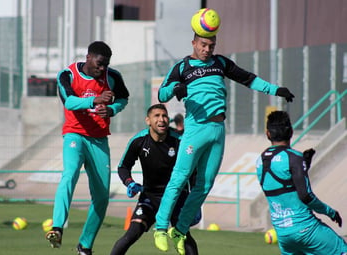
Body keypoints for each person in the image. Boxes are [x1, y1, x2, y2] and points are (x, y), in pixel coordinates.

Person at [153, 33, 295, 255]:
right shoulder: (182, 67)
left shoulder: (220, 63)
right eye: (203, 45)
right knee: (179, 179)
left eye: (211, 45)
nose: (207, 49)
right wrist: (175, 89)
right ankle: (161, 228)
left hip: (218, 130)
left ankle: (179, 230)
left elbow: (249, 79)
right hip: (195, 129)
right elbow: (162, 93)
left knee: (205, 185)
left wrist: (276, 90)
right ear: (193, 43)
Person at [45, 41, 130, 255]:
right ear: (88, 57)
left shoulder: (113, 77)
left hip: (99, 140)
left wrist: (111, 110)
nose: (103, 69)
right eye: (100, 64)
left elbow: (123, 99)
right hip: (75, 135)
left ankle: (85, 246)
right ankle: (57, 227)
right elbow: (70, 102)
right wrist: (95, 100)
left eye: (106, 65)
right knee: (70, 173)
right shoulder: (68, 75)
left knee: (102, 197)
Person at [110, 104, 199, 255]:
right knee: (131, 234)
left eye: (164, 116)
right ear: (148, 120)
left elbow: (193, 169)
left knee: (183, 236)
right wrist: (129, 182)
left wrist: (193, 198)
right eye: (156, 116)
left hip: (177, 197)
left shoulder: (179, 141)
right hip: (150, 197)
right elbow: (123, 167)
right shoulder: (139, 141)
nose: (162, 119)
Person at [256, 110, 346, 254]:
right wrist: (330, 212)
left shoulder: (260, 161)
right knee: (342, 250)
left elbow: (282, 185)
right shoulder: (294, 158)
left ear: (268, 134)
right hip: (306, 228)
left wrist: (304, 166)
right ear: (291, 132)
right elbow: (305, 195)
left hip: (283, 234)